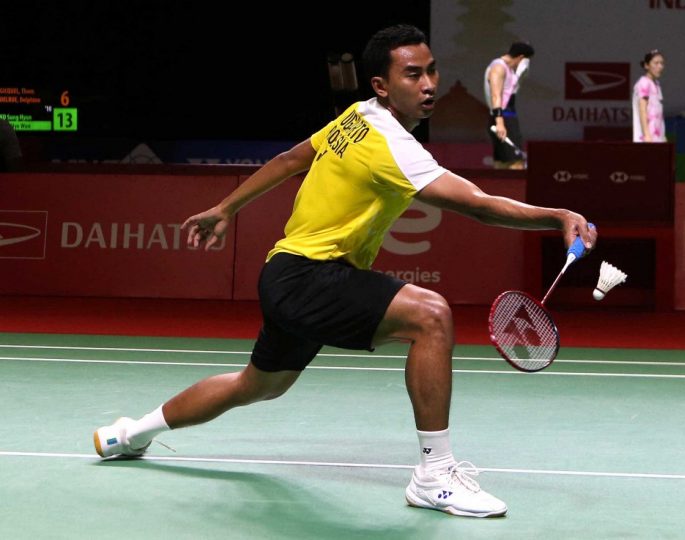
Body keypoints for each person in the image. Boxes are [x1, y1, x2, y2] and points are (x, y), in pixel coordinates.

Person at [93, 24, 596, 518]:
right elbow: (479, 205)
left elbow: (291, 159)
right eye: (413, 75)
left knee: (257, 385)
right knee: (431, 316)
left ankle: (129, 434)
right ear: (382, 85)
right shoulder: (393, 145)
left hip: (286, 273)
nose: (428, 85)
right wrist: (556, 216)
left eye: (432, 71)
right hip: (308, 276)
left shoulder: (358, 115)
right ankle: (434, 476)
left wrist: (226, 207)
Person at [484, 42, 534, 169]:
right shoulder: (498, 67)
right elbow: (496, 96)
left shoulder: (509, 69)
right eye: (527, 60)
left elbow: (509, 92)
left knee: (502, 163)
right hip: (503, 119)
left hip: (508, 117)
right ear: (521, 57)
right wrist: (500, 123)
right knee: (516, 163)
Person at [633, 49, 666, 143]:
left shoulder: (656, 84)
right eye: (656, 63)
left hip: (658, 138)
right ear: (646, 65)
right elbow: (642, 110)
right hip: (648, 139)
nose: (660, 66)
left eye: (662, 63)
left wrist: (663, 136)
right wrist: (647, 135)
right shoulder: (643, 82)